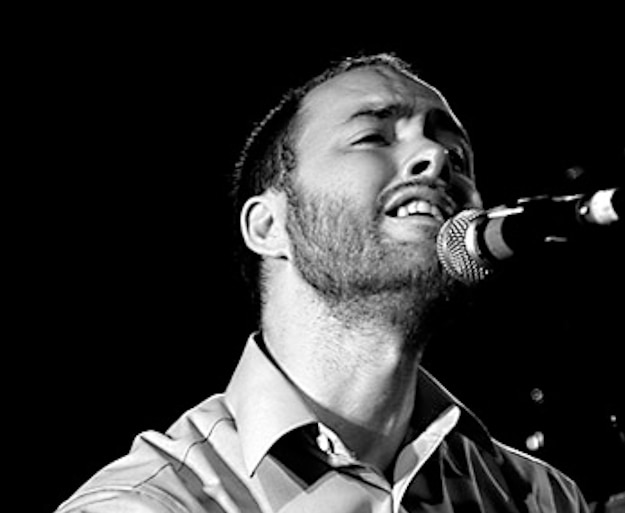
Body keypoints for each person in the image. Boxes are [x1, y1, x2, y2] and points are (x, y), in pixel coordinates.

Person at [56, 52, 590, 513]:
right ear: (270, 227)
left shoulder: (541, 498)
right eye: (372, 136)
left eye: (458, 155)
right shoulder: (153, 503)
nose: (436, 159)